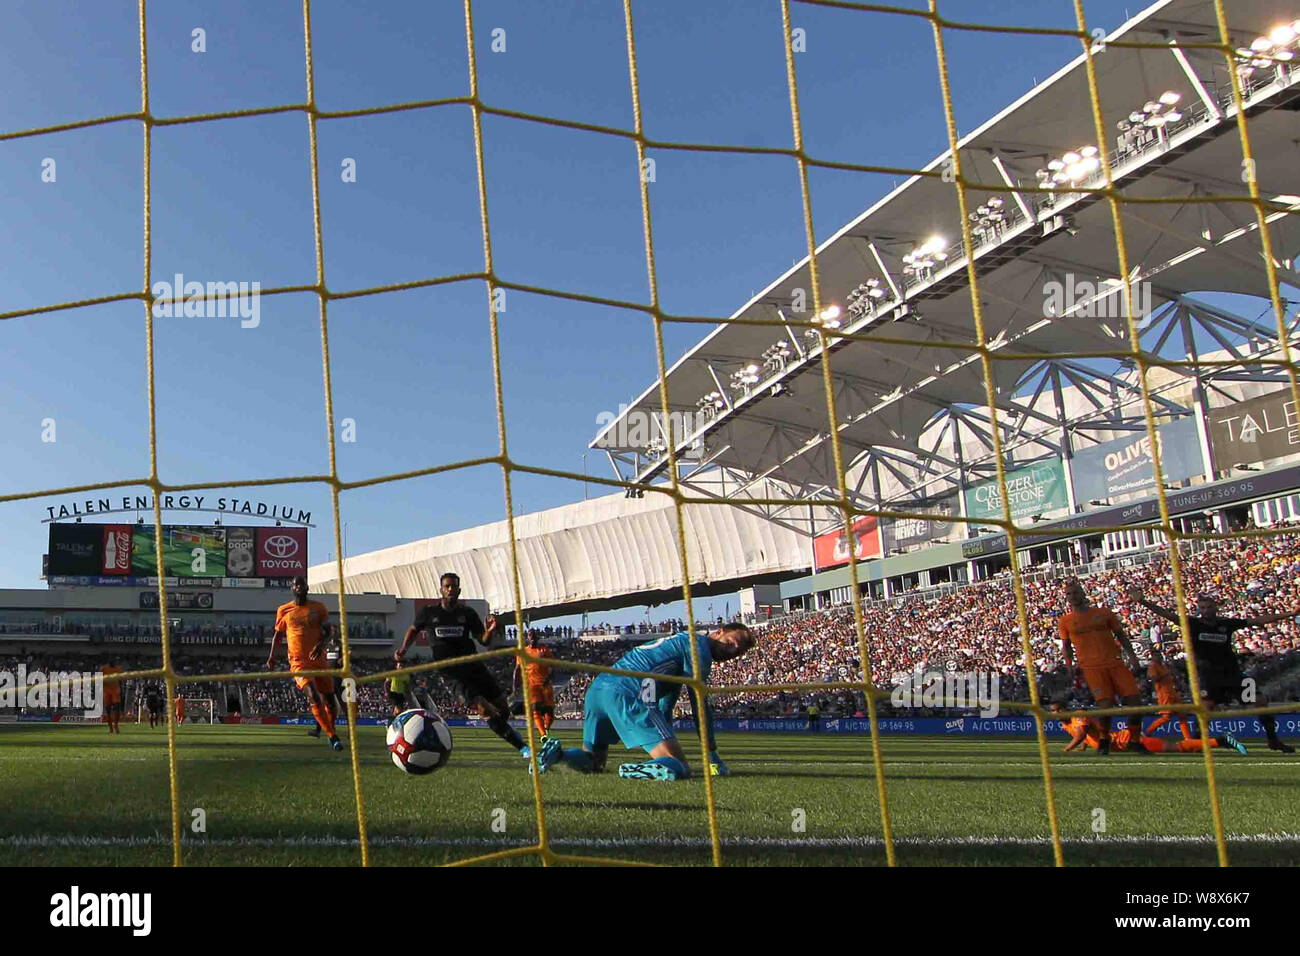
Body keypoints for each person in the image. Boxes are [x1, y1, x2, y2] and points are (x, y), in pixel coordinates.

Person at [532, 623, 756, 780]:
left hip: (598, 689)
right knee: (680, 767)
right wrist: (711, 753)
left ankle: (558, 756)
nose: (734, 651)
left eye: (739, 652)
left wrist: (665, 734)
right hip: (626, 692)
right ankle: (639, 770)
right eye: (733, 642)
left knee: (593, 761)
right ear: (719, 632)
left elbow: (666, 704)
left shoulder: (678, 645)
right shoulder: (700, 648)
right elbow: (699, 701)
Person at [1127, 586, 1296, 753]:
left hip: (1234, 674)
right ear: (1199, 609)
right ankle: (1197, 742)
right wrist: (1143, 601)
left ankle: (1273, 740)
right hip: (1209, 677)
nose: (1206, 611)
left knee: (1260, 701)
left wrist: (1290, 614)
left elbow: (1258, 620)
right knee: (1205, 710)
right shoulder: (1192, 623)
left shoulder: (1226, 624)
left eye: (1209, 607)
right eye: (1202, 608)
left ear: (1216, 607)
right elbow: (1167, 615)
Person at [394, 573, 529, 759]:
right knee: (482, 707)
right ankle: (523, 748)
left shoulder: (467, 613)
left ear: (459, 590)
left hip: (473, 666)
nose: (450, 589)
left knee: (503, 709)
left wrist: (489, 631)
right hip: (451, 673)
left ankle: (505, 730)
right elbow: (413, 630)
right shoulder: (429, 613)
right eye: (447, 586)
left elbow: (483, 641)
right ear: (441, 589)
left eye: (454, 586)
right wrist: (403, 649)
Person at [1057, 578, 1143, 755]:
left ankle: (1135, 741)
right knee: (1106, 706)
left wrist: (1133, 657)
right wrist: (1069, 665)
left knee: (1135, 702)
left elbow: (1121, 635)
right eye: (1069, 594)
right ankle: (1104, 739)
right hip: (1091, 668)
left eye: (1075, 592)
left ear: (1083, 594)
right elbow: (1066, 647)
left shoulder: (1104, 613)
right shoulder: (1065, 621)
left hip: (1115, 663)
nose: (1072, 596)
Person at [267, 576, 342, 752]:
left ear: (307, 587)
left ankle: (329, 730)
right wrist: (272, 656)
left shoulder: (319, 608)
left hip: (319, 660)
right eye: (296, 585)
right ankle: (332, 737)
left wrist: (322, 644)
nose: (299, 587)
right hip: (298, 662)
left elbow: (329, 631)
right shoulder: (283, 610)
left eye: (302, 584)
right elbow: (278, 635)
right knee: (312, 694)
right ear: (292, 588)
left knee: (330, 701)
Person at [1051, 701, 1246, 755]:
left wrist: (1067, 749)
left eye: (1059, 710)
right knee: (1184, 748)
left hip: (1128, 740)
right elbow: (1085, 736)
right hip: (1122, 744)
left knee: (1180, 747)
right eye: (1053, 712)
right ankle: (1221, 741)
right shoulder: (1067, 722)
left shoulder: (1078, 716)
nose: (1056, 714)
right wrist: (1082, 747)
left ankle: (1222, 740)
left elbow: (1083, 732)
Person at [1143, 638, 1193, 740]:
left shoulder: (1164, 665)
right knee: (1166, 717)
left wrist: (1176, 680)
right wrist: (1165, 675)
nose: (1160, 656)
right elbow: (1153, 679)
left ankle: (1188, 739)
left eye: (1160, 654)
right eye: (1157, 654)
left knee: (1182, 715)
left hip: (1173, 692)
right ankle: (1147, 732)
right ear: (1153, 656)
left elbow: (1171, 676)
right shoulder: (1153, 666)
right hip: (1164, 694)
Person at [513, 630, 555, 741]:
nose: (533, 638)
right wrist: (515, 685)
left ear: (537, 638)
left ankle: (546, 727)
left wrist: (549, 678)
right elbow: (517, 669)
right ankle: (543, 735)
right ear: (527, 638)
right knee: (535, 708)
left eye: (534, 636)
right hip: (531, 685)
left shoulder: (544, 650)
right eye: (530, 636)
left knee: (549, 712)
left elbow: (553, 666)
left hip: (545, 684)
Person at [100, 659, 124, 734]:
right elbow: (100, 679)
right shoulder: (103, 669)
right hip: (107, 691)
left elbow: (120, 680)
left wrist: (121, 689)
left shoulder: (119, 669)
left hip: (115, 691)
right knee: (108, 710)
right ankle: (111, 728)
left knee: (117, 709)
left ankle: (115, 725)